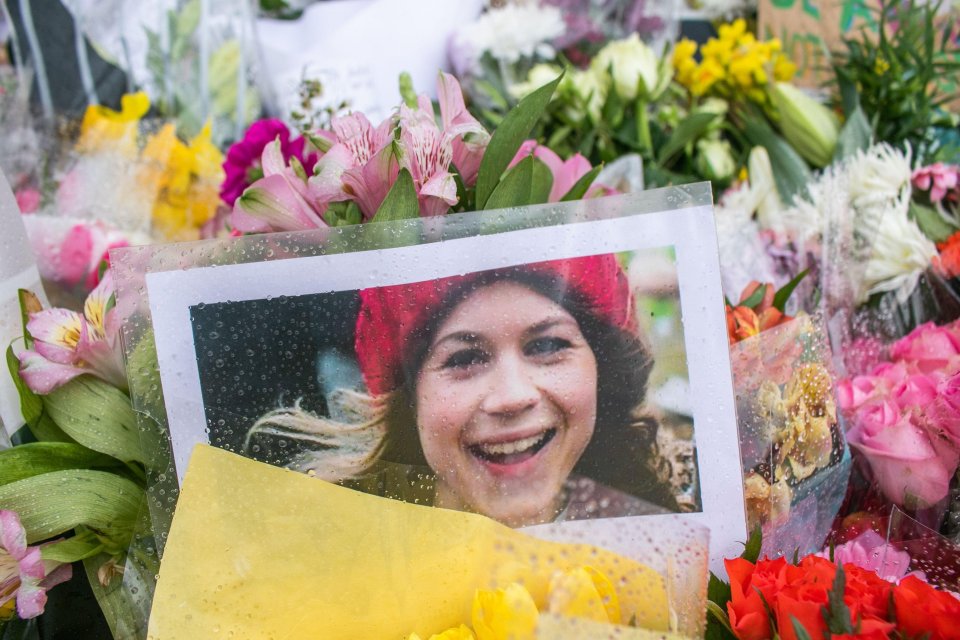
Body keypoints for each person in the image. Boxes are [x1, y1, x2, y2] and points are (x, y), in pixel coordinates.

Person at [246, 254, 678, 526]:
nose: (512, 396)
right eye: (463, 358)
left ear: (601, 373)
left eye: (547, 346)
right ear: (410, 401)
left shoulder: (676, 535)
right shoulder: (336, 578)